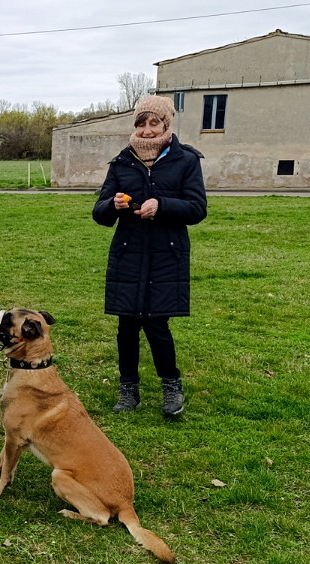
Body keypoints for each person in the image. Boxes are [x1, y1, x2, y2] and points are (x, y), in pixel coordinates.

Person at [92, 95, 207, 417]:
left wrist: (163, 205)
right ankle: (128, 390)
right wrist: (111, 205)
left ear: (165, 124)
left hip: (165, 255)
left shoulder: (186, 160)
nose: (145, 130)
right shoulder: (121, 162)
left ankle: (172, 387)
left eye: (152, 122)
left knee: (157, 324)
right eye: (141, 123)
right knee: (126, 326)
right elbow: (99, 213)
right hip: (128, 253)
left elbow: (197, 209)